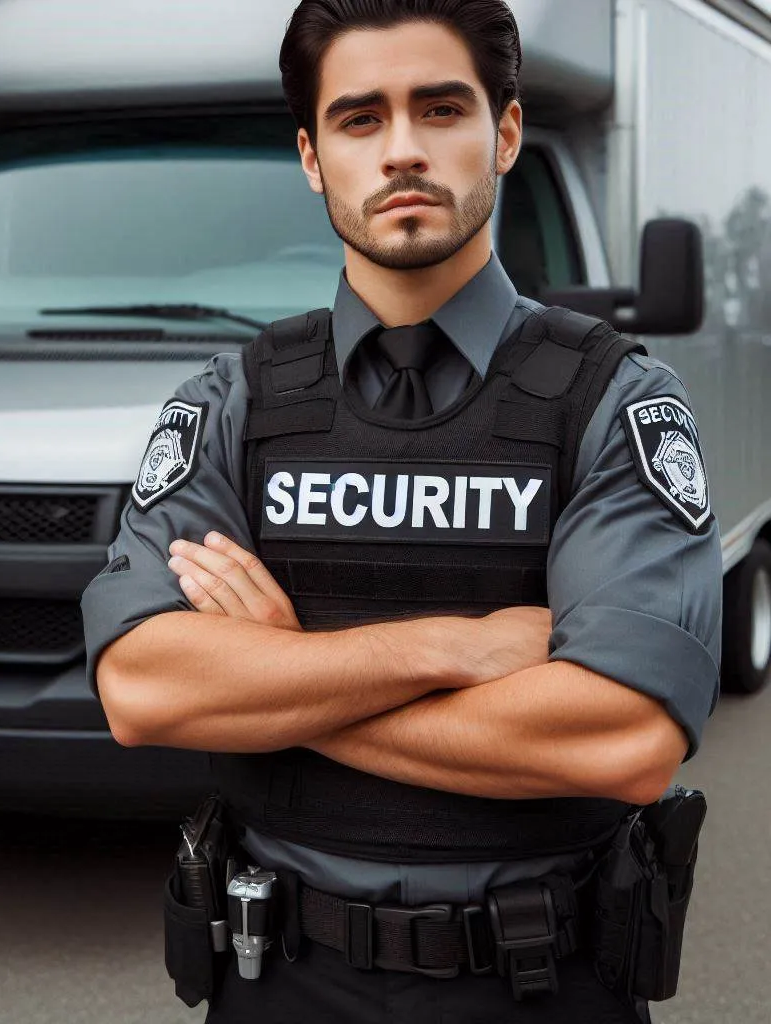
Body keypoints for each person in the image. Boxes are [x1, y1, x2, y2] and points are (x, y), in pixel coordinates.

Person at [81, 1, 722, 1021]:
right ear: (310, 154)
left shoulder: (614, 398)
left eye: (440, 108)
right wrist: (449, 650)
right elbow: (147, 692)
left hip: (542, 980)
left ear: (503, 134)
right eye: (359, 118)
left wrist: (280, 680)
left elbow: (623, 738)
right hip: (280, 977)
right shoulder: (234, 398)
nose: (403, 151)